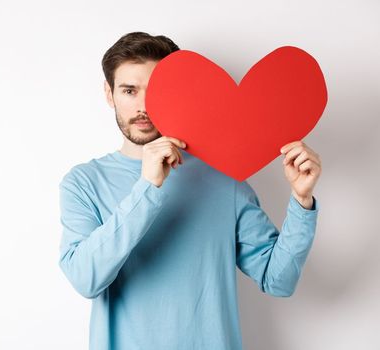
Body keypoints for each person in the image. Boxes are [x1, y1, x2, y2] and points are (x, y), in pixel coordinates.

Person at [58, 32, 321, 350]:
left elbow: (278, 280)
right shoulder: (83, 183)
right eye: (129, 90)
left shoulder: (225, 179)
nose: (142, 106)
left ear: (178, 93)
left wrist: (301, 201)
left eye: (155, 91)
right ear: (109, 93)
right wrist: (148, 187)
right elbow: (86, 279)